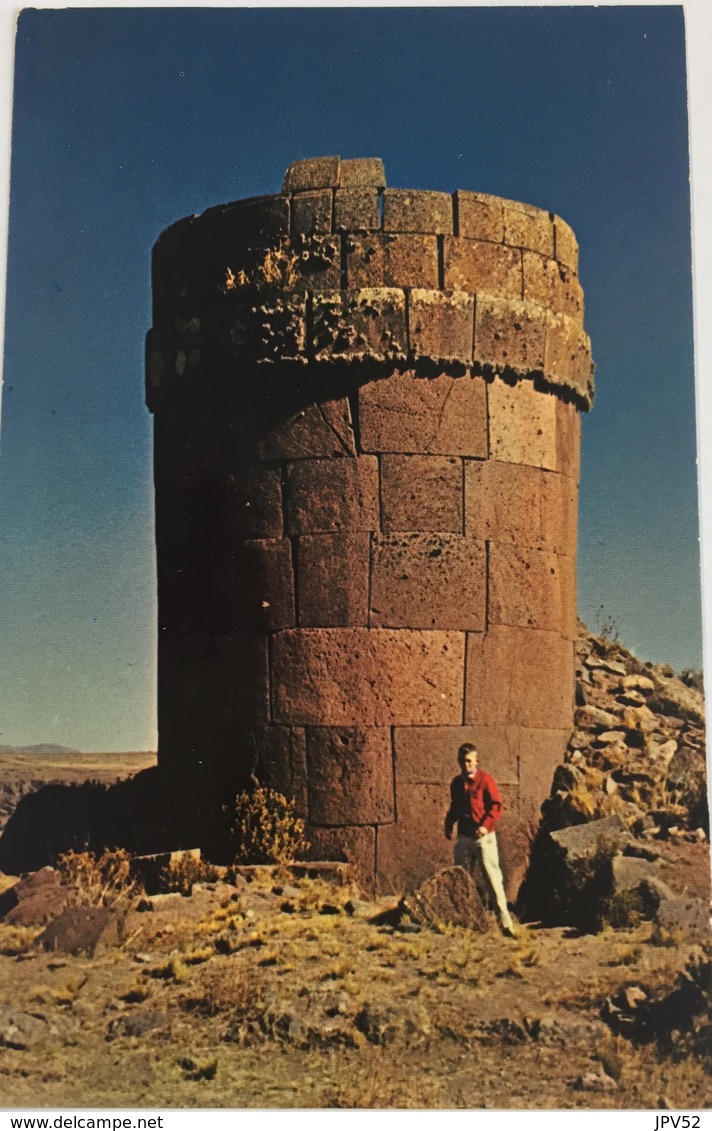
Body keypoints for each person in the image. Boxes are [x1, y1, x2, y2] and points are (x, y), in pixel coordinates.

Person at [444, 742, 516, 936]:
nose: (465, 764)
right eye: (462, 760)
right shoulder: (457, 784)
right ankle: (465, 920)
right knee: (460, 878)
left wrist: (485, 826)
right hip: (464, 837)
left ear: (476, 761)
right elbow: (455, 806)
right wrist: (449, 823)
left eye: (469, 761)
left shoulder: (485, 780)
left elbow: (496, 805)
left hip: (483, 838)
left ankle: (505, 923)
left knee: (492, 878)